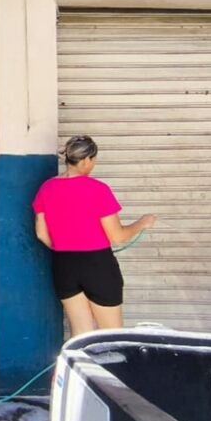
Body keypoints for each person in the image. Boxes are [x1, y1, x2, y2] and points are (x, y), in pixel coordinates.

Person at [32, 135, 157, 337]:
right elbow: (118, 237)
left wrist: (65, 247)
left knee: (81, 335)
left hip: (63, 265)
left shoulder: (46, 188)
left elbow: (41, 234)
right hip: (97, 265)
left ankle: (76, 368)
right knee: (112, 335)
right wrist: (143, 223)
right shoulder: (98, 190)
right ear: (87, 160)